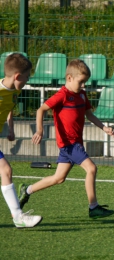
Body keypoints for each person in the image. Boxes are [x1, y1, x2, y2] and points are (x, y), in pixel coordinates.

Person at [18, 59, 114, 219]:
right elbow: (41, 110)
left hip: (74, 143)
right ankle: (93, 207)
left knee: (58, 178)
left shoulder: (82, 95)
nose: (84, 86)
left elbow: (89, 114)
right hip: (69, 144)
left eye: (85, 82)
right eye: (81, 82)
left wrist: (103, 127)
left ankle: (27, 190)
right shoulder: (62, 95)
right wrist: (40, 130)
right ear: (69, 78)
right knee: (91, 169)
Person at [0, 53, 42, 228]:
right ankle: (18, 216)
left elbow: (9, 108)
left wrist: (11, 127)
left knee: (5, 171)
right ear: (17, 76)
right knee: (5, 170)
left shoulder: (14, 91)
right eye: (26, 77)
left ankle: (18, 216)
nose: (27, 80)